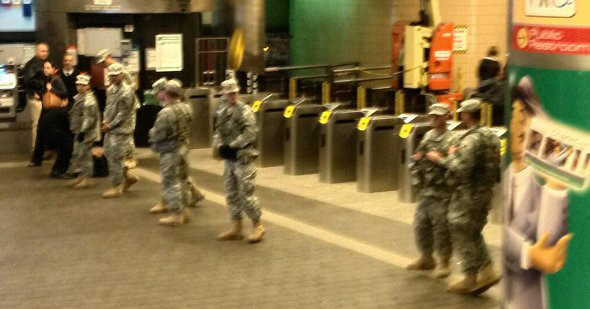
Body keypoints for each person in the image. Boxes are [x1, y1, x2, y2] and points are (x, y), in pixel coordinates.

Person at [504, 76, 573, 309]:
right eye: (517, 112)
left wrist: (555, 186)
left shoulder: (542, 194)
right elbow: (507, 234)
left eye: (528, 115)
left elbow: (549, 243)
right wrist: (529, 254)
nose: (522, 121)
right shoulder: (502, 180)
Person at [445, 98, 501, 294]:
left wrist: (451, 155)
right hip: (486, 192)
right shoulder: (491, 136)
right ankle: (487, 270)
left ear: (467, 115)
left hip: (469, 193)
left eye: (462, 112)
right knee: (473, 231)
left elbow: (462, 169)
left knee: (459, 227)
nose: (461, 115)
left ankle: (470, 277)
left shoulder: (471, 139)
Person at [406, 103, 455, 278]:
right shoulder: (427, 136)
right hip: (426, 190)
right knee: (421, 225)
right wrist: (415, 168)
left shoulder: (452, 139)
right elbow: (418, 156)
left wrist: (439, 159)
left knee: (441, 228)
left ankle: (443, 262)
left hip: (442, 192)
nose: (433, 118)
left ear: (445, 117)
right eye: (431, 115)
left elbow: (456, 164)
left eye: (437, 116)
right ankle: (426, 257)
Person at [214, 79, 265, 243]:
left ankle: (258, 225)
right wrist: (219, 145)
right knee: (231, 194)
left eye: (234, 92)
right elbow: (218, 131)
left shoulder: (245, 111)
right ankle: (236, 227)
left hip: (243, 157)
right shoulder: (223, 111)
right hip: (230, 160)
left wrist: (233, 145)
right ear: (224, 94)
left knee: (246, 194)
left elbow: (250, 133)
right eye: (229, 93)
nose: (232, 96)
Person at [149, 78, 205, 217]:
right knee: (180, 177)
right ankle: (182, 207)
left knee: (171, 180)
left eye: (158, 93)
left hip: (170, 149)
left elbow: (158, 133)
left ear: (165, 92)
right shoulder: (187, 107)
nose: (156, 96)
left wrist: (152, 135)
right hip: (182, 147)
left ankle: (177, 212)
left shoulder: (166, 112)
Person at [96, 49, 140, 185]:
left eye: (103, 61)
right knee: (117, 143)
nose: (103, 65)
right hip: (116, 103)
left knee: (125, 140)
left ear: (108, 57)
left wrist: (123, 92)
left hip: (125, 104)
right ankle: (127, 169)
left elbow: (133, 85)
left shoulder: (121, 70)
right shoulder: (110, 71)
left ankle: (128, 167)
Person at [29, 60, 73, 178]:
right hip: (51, 116)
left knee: (65, 143)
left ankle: (55, 168)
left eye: (48, 68)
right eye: (45, 68)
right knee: (66, 144)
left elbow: (63, 93)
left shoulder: (55, 79)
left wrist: (51, 89)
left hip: (51, 115)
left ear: (54, 69)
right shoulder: (48, 80)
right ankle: (58, 170)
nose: (45, 70)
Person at [66, 74, 101, 189]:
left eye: (83, 85)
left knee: (85, 155)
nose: (80, 87)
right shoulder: (80, 97)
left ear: (88, 86)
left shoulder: (89, 100)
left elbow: (89, 118)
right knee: (79, 154)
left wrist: (82, 131)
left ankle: (86, 178)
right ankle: (81, 177)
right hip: (79, 130)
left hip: (87, 132)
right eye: (78, 85)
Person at [23, 42, 49, 149]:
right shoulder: (32, 64)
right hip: (36, 97)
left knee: (42, 124)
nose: (45, 53)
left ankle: (41, 147)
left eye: (46, 51)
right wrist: (44, 85)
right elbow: (28, 80)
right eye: (42, 51)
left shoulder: (42, 63)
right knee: (37, 124)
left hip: (42, 97)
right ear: (37, 51)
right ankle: (36, 148)